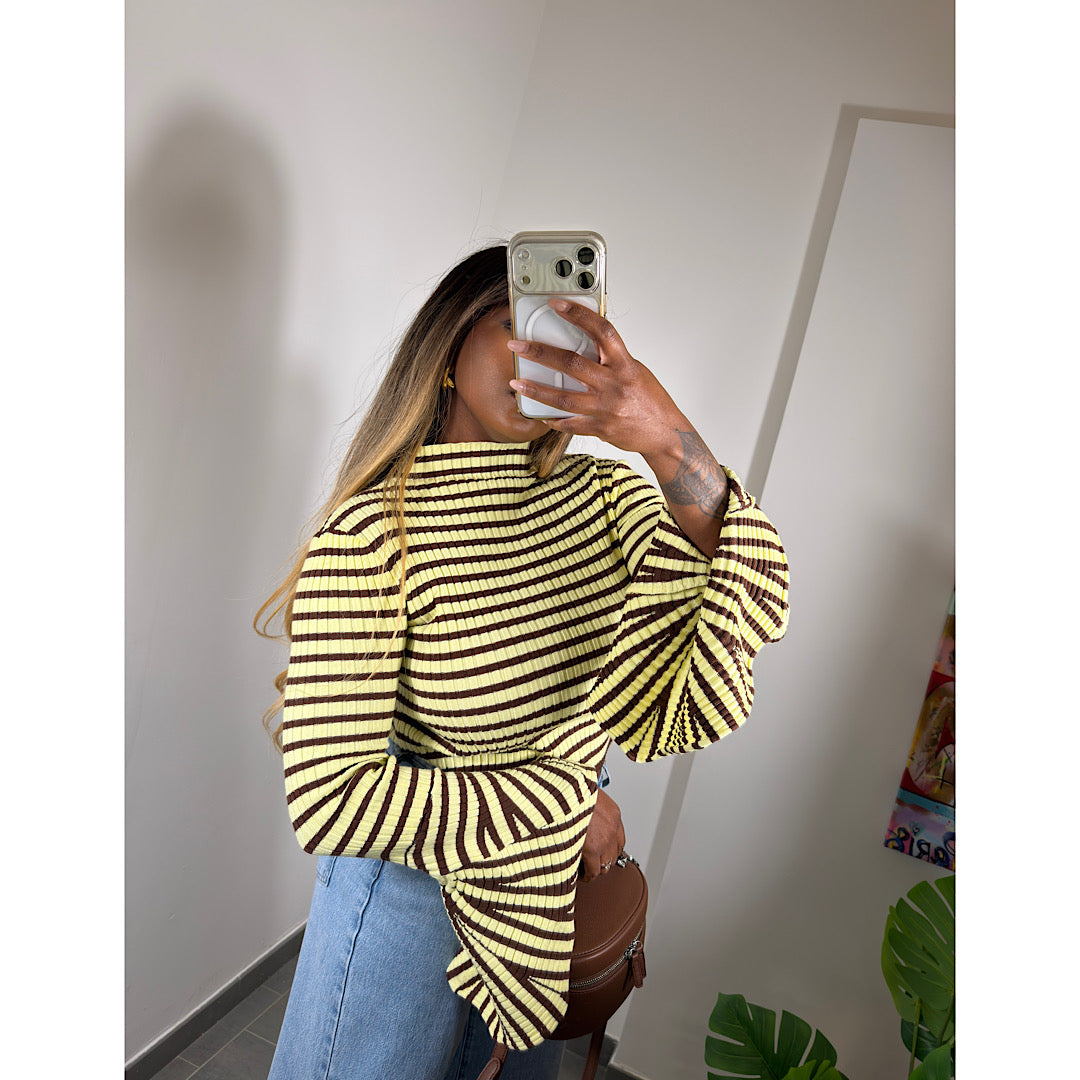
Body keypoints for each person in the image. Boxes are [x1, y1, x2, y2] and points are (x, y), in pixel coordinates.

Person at [256, 244, 790, 1080]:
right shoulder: (371, 534)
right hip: (410, 898)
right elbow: (332, 801)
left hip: (544, 902)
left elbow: (750, 591)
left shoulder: (606, 501)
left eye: (565, 336)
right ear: (448, 347)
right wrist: (569, 802)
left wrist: (664, 437)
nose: (543, 353)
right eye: (518, 324)